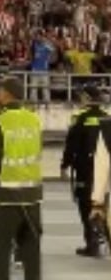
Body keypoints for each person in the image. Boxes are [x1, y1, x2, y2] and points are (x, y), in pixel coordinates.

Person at [0, 76, 43, 280]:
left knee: (0, 247)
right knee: (31, 249)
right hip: (33, 194)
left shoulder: (0, 120)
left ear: (6, 93)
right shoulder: (34, 118)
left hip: (8, 195)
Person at [62, 83, 107, 257]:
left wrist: (65, 164)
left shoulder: (79, 117)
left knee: (85, 205)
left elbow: (71, 143)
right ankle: (104, 238)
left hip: (84, 169)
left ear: (87, 98)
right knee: (102, 204)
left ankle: (92, 243)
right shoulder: (107, 116)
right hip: (104, 170)